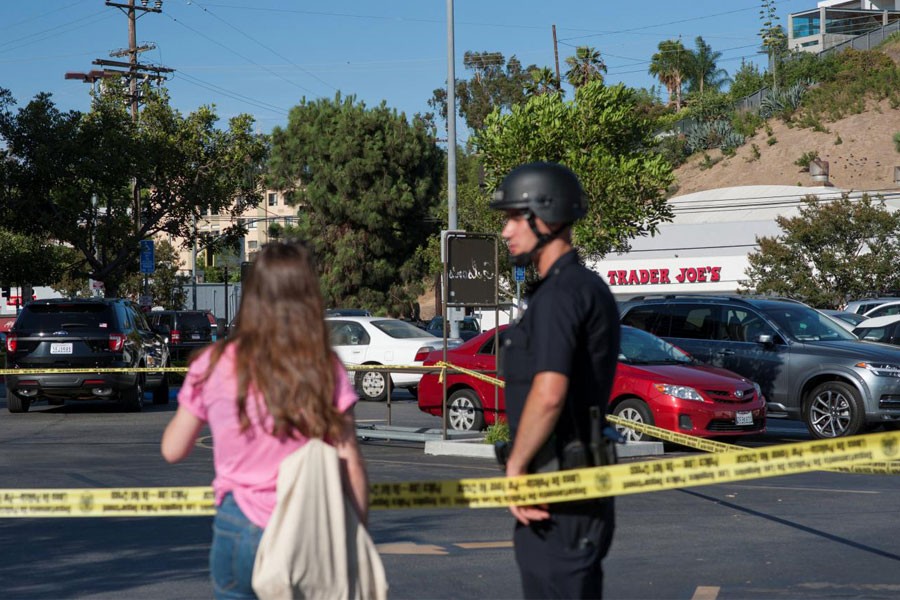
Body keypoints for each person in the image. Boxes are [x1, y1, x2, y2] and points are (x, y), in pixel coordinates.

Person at [161, 240, 368, 600]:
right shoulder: (323, 366)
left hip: (237, 524)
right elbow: (349, 460)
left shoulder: (211, 363)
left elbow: (173, 450)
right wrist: (357, 532)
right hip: (309, 526)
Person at [490, 162, 620, 599]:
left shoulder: (561, 295)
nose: (506, 231)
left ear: (545, 215)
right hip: (569, 489)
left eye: (513, 217)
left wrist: (515, 465)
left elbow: (549, 395)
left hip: (559, 494)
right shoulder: (577, 288)